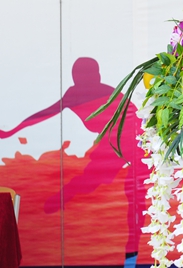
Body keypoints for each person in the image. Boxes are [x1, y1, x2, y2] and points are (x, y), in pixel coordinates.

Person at [0, 57, 146, 268]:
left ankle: (132, 256)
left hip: (133, 140)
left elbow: (137, 120)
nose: (85, 82)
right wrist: (12, 131)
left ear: (97, 76)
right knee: (91, 179)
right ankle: (65, 195)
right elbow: (45, 114)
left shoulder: (110, 94)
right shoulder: (74, 94)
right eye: (80, 77)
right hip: (111, 142)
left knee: (135, 197)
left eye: (88, 76)